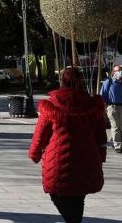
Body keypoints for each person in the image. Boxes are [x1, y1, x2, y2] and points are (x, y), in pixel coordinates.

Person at [29, 67, 107, 223]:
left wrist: (35, 154)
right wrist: (101, 156)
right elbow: (101, 137)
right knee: (78, 194)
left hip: (59, 160)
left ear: (62, 81)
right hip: (87, 159)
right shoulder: (93, 105)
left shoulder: (52, 105)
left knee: (59, 194)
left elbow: (40, 135)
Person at [101, 64, 122, 153]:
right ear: (113, 72)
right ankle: (118, 146)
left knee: (120, 127)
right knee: (115, 126)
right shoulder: (108, 82)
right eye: (118, 71)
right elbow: (102, 95)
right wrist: (103, 106)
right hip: (112, 107)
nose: (120, 73)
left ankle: (116, 141)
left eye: (120, 71)